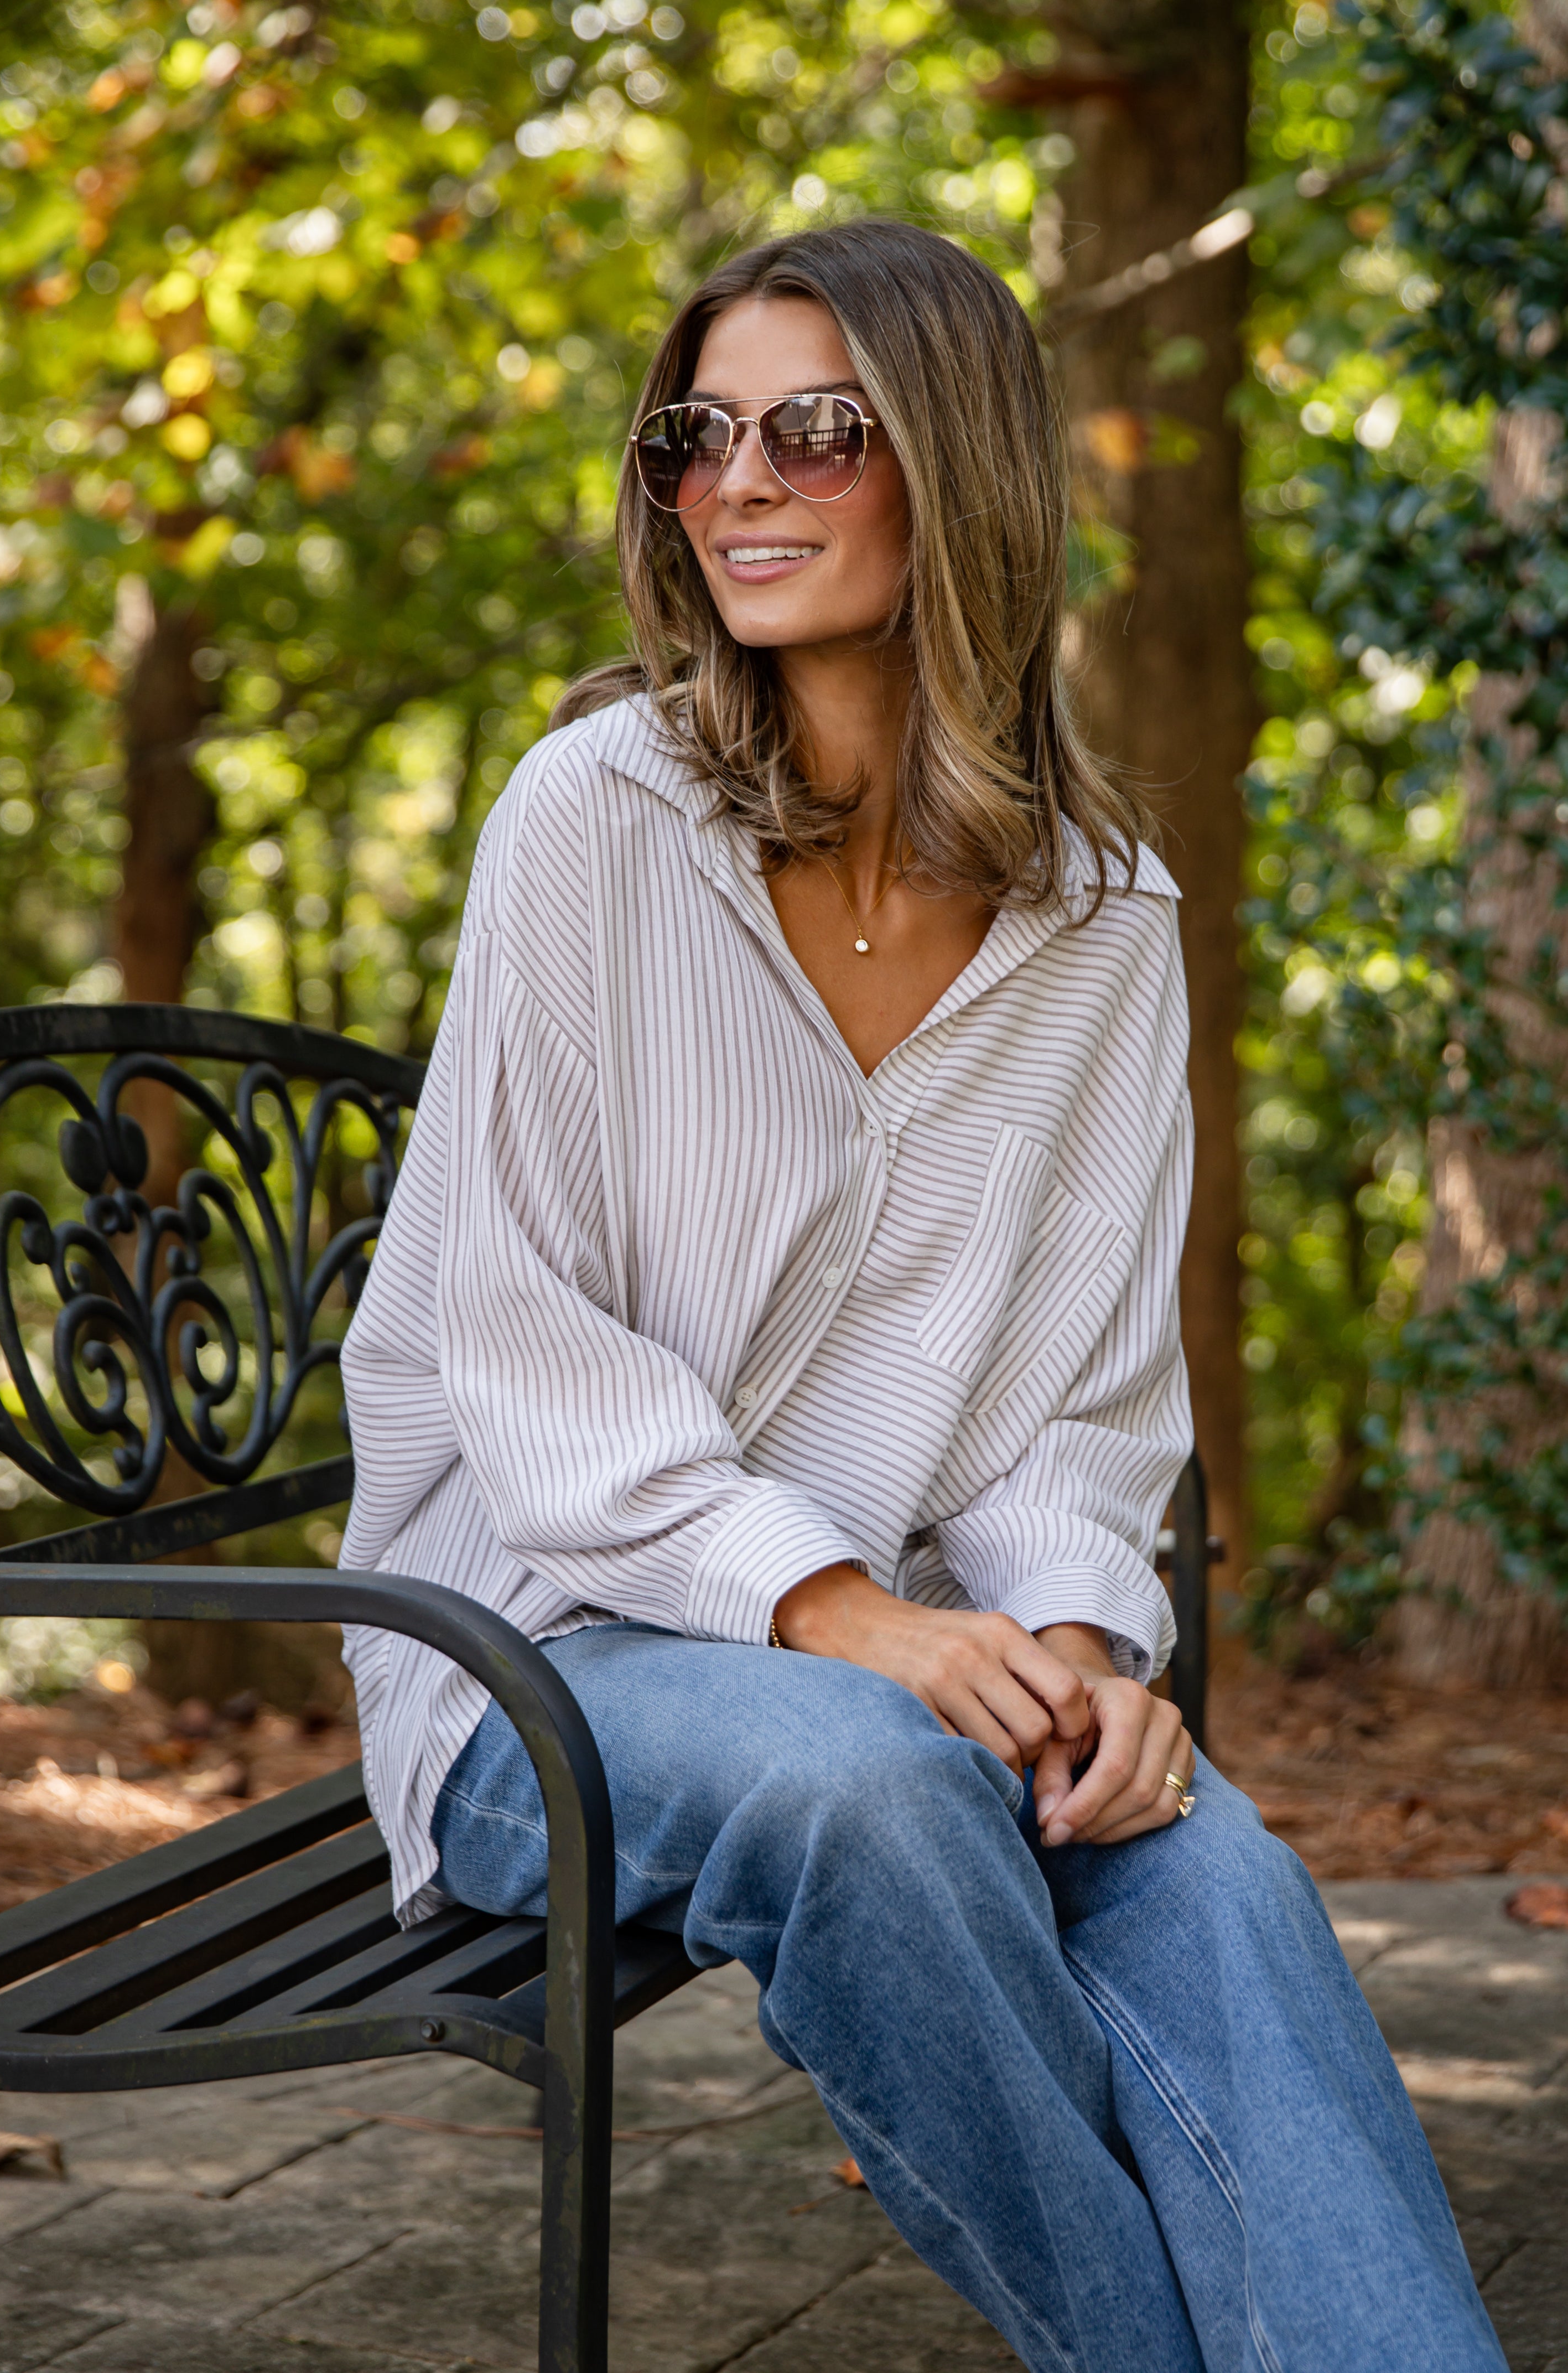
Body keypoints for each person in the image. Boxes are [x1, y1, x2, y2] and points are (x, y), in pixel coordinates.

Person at [339, 219, 1503, 2371]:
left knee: (1202, 1863)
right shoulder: (592, 824)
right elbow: (512, 1337)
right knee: (874, 1783)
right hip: (528, 1660)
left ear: (951, 463)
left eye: (815, 429)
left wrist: (1078, 1654)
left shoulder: (1100, 919)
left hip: (908, 1667)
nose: (735, 484)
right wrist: (840, 1613)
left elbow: (1080, 1408)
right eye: (694, 436)